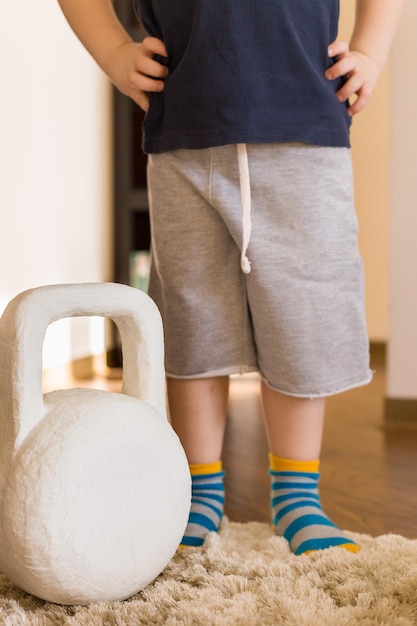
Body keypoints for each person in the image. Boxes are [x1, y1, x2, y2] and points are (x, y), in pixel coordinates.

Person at [57, 0, 403, 554]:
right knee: (193, 313)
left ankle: (297, 496)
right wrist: (114, 52)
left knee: (302, 313)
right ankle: (199, 492)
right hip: (183, 140)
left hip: (305, 130)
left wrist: (372, 52)